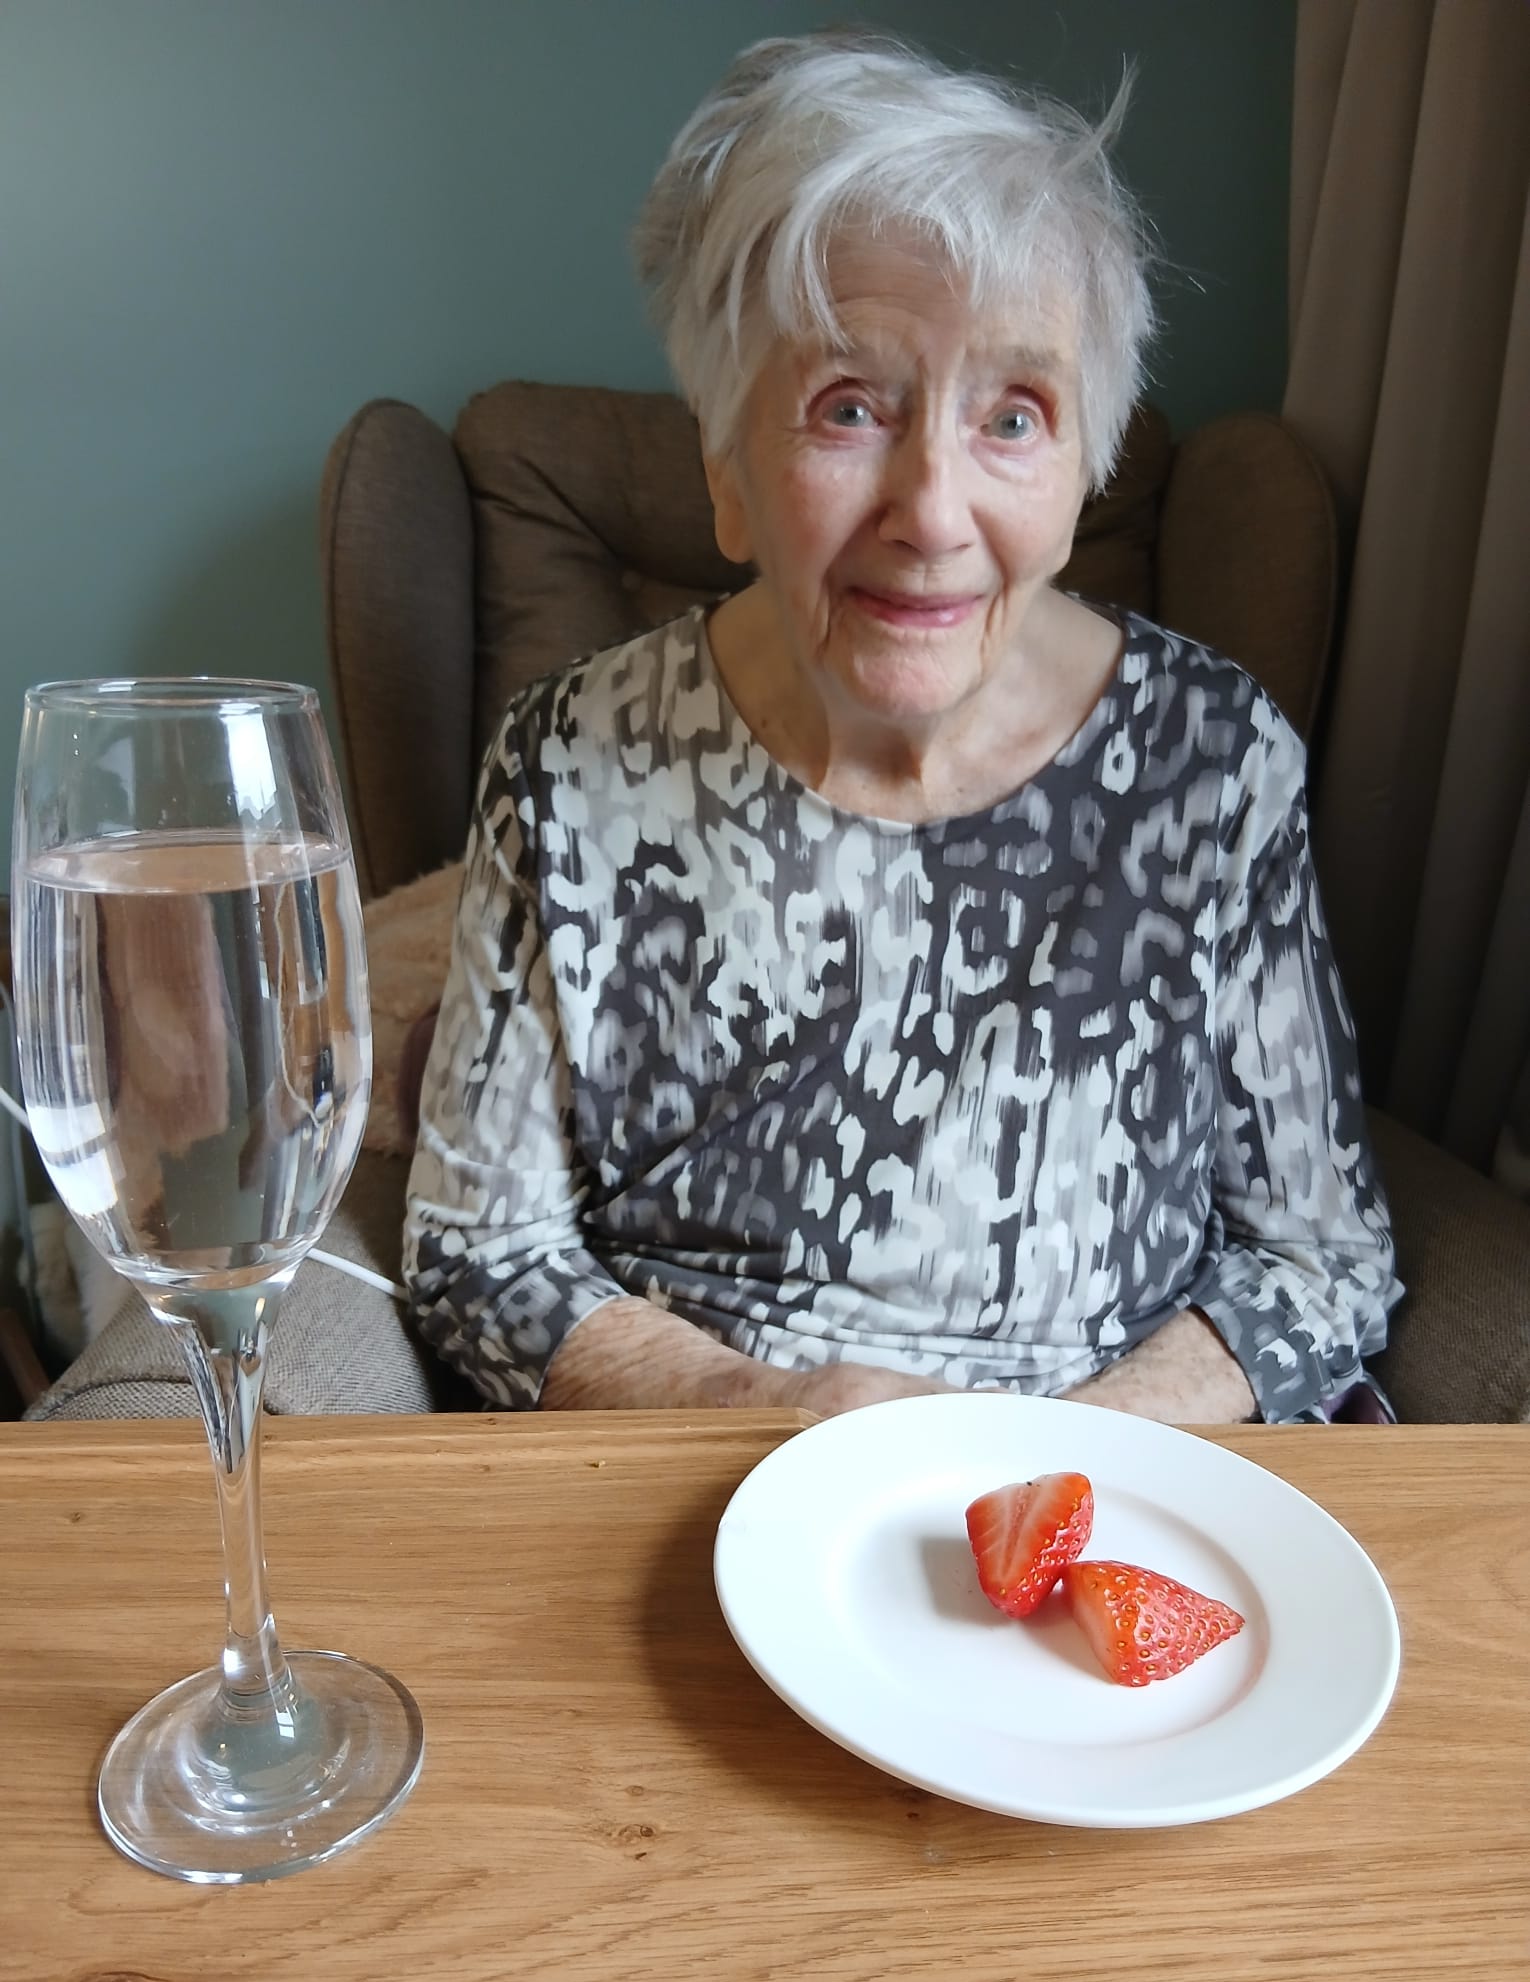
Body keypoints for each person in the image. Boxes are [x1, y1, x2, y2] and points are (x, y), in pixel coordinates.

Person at [403, 33, 1401, 1426]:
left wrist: (1062, 1468)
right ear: (726, 469)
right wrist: (762, 1408)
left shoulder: (1216, 766)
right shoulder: (566, 762)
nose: (932, 511)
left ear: (1083, 470)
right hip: (700, 1476)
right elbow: (478, 1254)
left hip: (1108, 1486)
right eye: (849, 407)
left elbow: (1320, 1265)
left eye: (1014, 416)